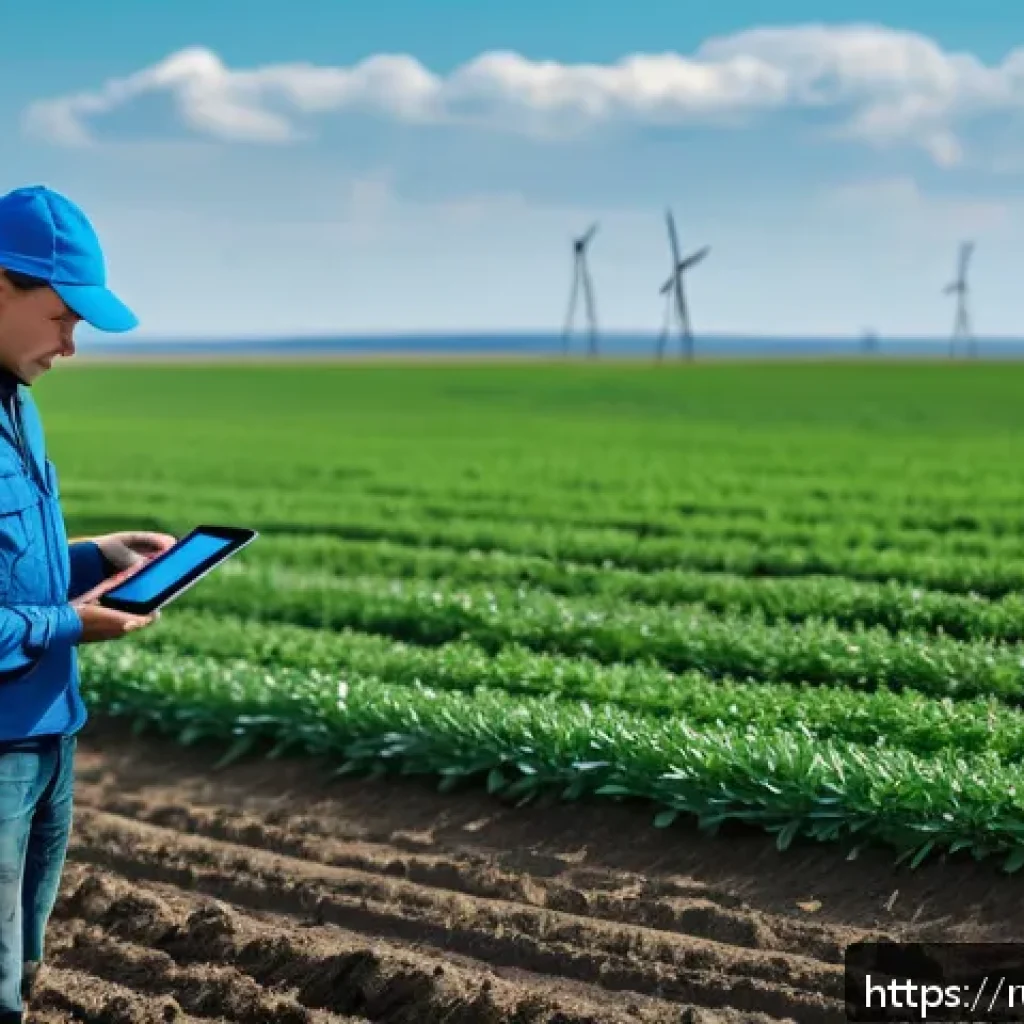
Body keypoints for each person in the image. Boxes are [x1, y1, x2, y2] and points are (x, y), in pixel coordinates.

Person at [0, 185, 176, 1022]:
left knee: (23, 958)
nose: (71, 346)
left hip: (47, 734)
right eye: (62, 318)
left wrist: (94, 558)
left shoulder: (17, 404)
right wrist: (74, 622)